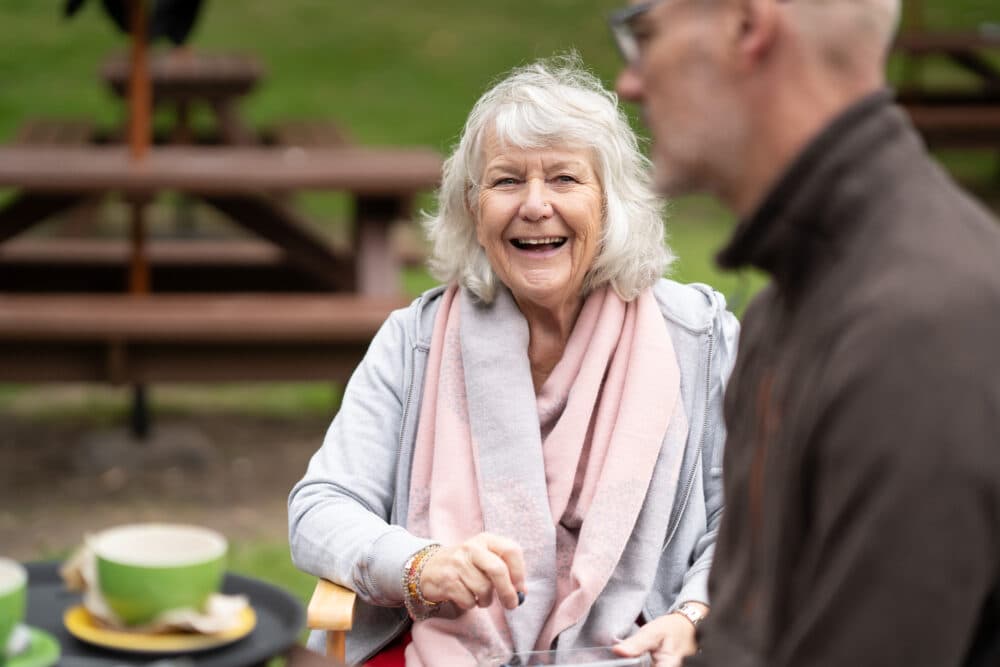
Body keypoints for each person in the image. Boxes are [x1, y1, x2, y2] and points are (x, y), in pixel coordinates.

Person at [288, 57, 739, 667]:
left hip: (636, 649)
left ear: (611, 205)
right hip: (441, 647)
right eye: (506, 181)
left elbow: (746, 521)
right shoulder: (414, 341)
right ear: (474, 209)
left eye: (563, 179)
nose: (534, 205)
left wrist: (693, 617)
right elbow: (321, 508)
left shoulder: (699, 338)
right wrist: (419, 565)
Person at [609, 1, 1000, 666]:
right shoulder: (787, 306)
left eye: (644, 35)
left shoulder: (921, 326)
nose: (631, 82)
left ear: (747, 27)